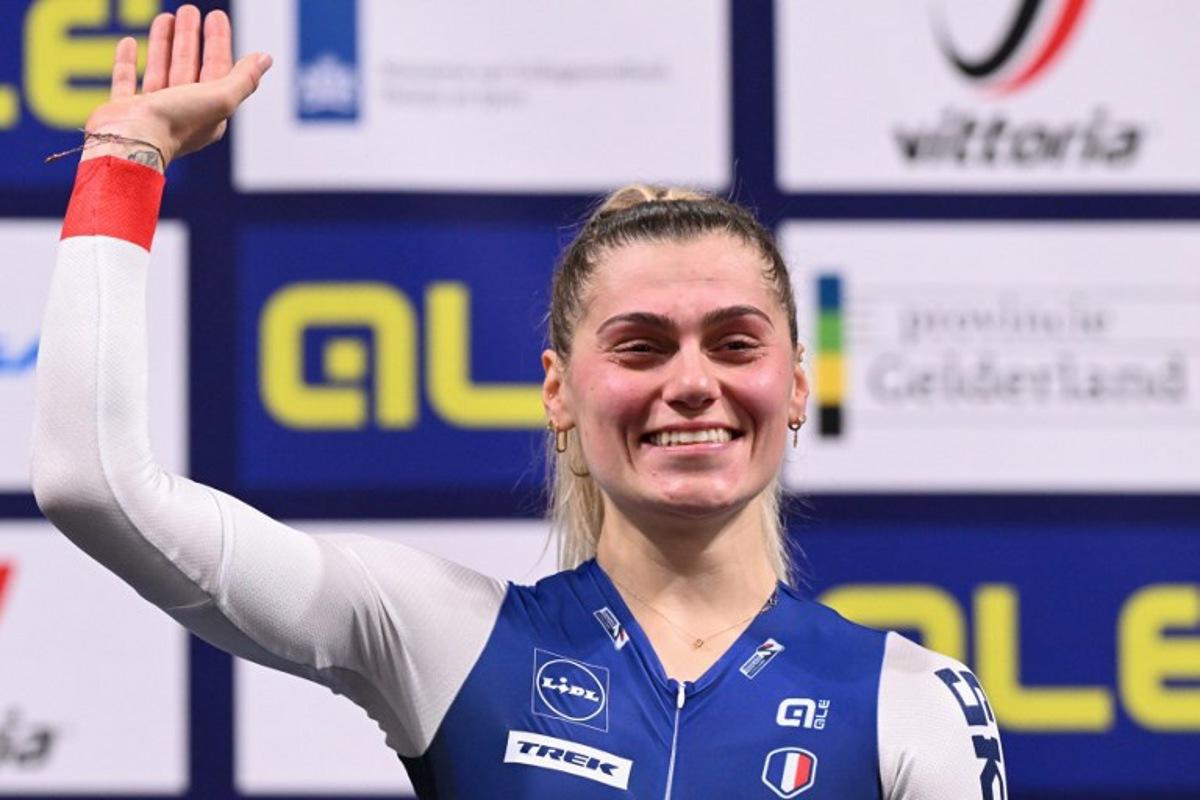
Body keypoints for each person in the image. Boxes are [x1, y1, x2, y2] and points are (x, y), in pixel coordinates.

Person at [31, 6, 1006, 799]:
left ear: (796, 385)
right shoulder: (445, 637)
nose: (693, 380)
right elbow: (97, 484)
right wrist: (127, 155)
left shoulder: (909, 703)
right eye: (641, 345)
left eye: (735, 341)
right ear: (560, 393)